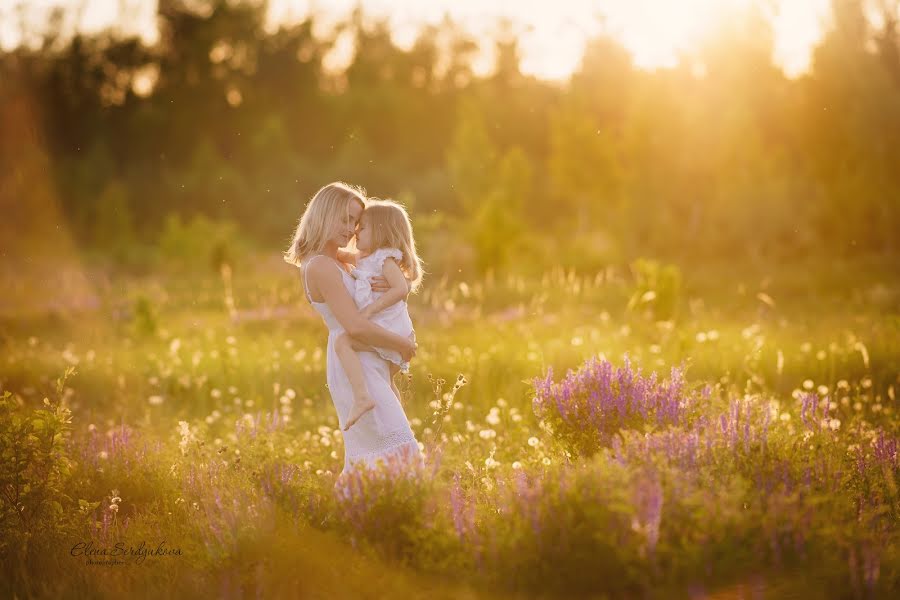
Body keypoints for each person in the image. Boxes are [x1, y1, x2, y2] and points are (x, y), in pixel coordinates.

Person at [283, 182, 422, 482]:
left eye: (356, 222)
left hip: (367, 356)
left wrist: (402, 285)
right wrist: (402, 344)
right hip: (353, 363)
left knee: (386, 453)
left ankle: (371, 521)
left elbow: (386, 280)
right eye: (344, 219)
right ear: (324, 214)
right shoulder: (319, 266)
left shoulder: (338, 260)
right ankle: (364, 516)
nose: (351, 230)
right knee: (396, 452)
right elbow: (355, 325)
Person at [336, 198, 423, 430]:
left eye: (362, 227)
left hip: (391, 329)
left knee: (343, 342)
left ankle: (362, 397)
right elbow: (338, 255)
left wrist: (368, 311)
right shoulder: (364, 258)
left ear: (382, 232)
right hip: (389, 328)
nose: (356, 232)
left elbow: (401, 289)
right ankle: (400, 427)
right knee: (387, 382)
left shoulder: (384, 259)